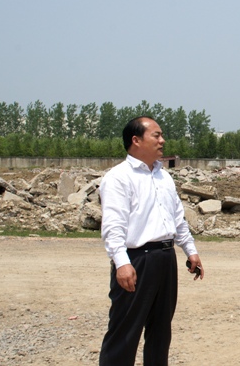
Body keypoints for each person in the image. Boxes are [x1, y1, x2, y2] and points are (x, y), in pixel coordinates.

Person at [98, 116, 204, 366]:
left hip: (165, 258)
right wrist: (122, 263)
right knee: (125, 332)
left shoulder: (163, 176)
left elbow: (177, 218)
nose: (162, 140)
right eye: (156, 135)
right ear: (136, 140)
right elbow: (113, 226)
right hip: (137, 260)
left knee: (160, 331)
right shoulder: (118, 177)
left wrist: (190, 250)